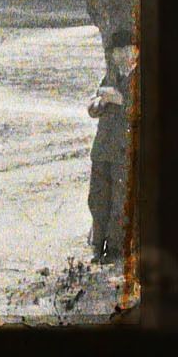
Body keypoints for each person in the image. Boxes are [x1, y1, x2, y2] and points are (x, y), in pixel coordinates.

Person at [87, 26, 138, 262]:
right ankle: (97, 247)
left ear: (136, 51)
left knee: (120, 202)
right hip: (103, 150)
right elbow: (92, 107)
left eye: (126, 49)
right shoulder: (111, 77)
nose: (121, 55)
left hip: (125, 152)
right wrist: (99, 103)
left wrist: (121, 100)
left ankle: (115, 250)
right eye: (117, 51)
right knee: (97, 200)